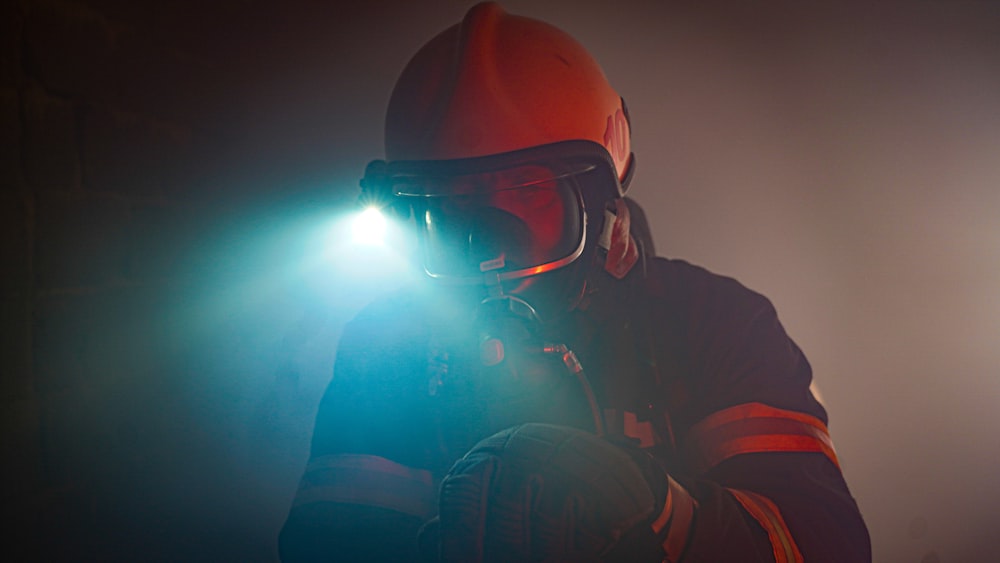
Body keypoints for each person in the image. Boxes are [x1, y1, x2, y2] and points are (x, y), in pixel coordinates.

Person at [279, 3, 871, 562]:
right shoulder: (387, 347)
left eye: (528, 191)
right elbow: (330, 543)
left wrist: (668, 517)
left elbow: (817, 545)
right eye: (455, 202)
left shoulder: (716, 322)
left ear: (603, 197)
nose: (489, 241)